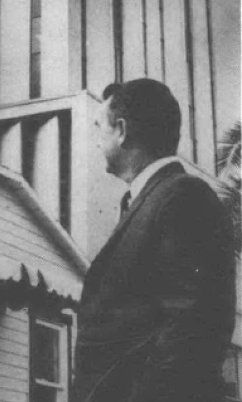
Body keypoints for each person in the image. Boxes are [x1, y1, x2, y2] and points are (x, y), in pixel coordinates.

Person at [71, 78, 237, 402]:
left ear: (121, 130)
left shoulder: (183, 197)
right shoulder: (155, 199)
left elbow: (194, 329)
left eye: (98, 127)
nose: (95, 139)